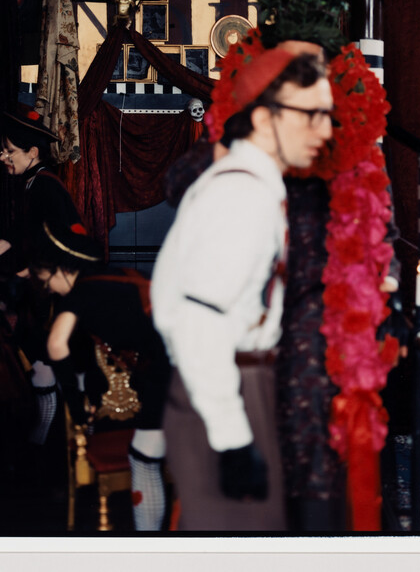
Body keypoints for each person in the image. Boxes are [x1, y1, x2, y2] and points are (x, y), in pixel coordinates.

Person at [150, 47, 334, 531]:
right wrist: (232, 438)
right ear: (262, 117)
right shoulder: (242, 196)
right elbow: (198, 320)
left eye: (327, 115)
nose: (326, 131)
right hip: (223, 389)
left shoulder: (252, 185)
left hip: (233, 384)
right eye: (312, 114)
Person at [26, 216, 172, 531]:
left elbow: (55, 343)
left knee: (144, 459)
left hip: (170, 371)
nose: (50, 290)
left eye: (46, 282)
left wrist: (77, 407)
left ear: (62, 268)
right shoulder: (121, 273)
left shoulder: (81, 292)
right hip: (192, 364)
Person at [0, 103, 82, 448]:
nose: (2, 157)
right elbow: (20, 230)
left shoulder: (45, 185)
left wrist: (27, 271)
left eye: (9, 151)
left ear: (33, 152)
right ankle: (44, 441)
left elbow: (65, 241)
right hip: (42, 289)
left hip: (56, 293)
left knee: (46, 360)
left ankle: (47, 443)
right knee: (41, 360)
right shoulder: (32, 184)